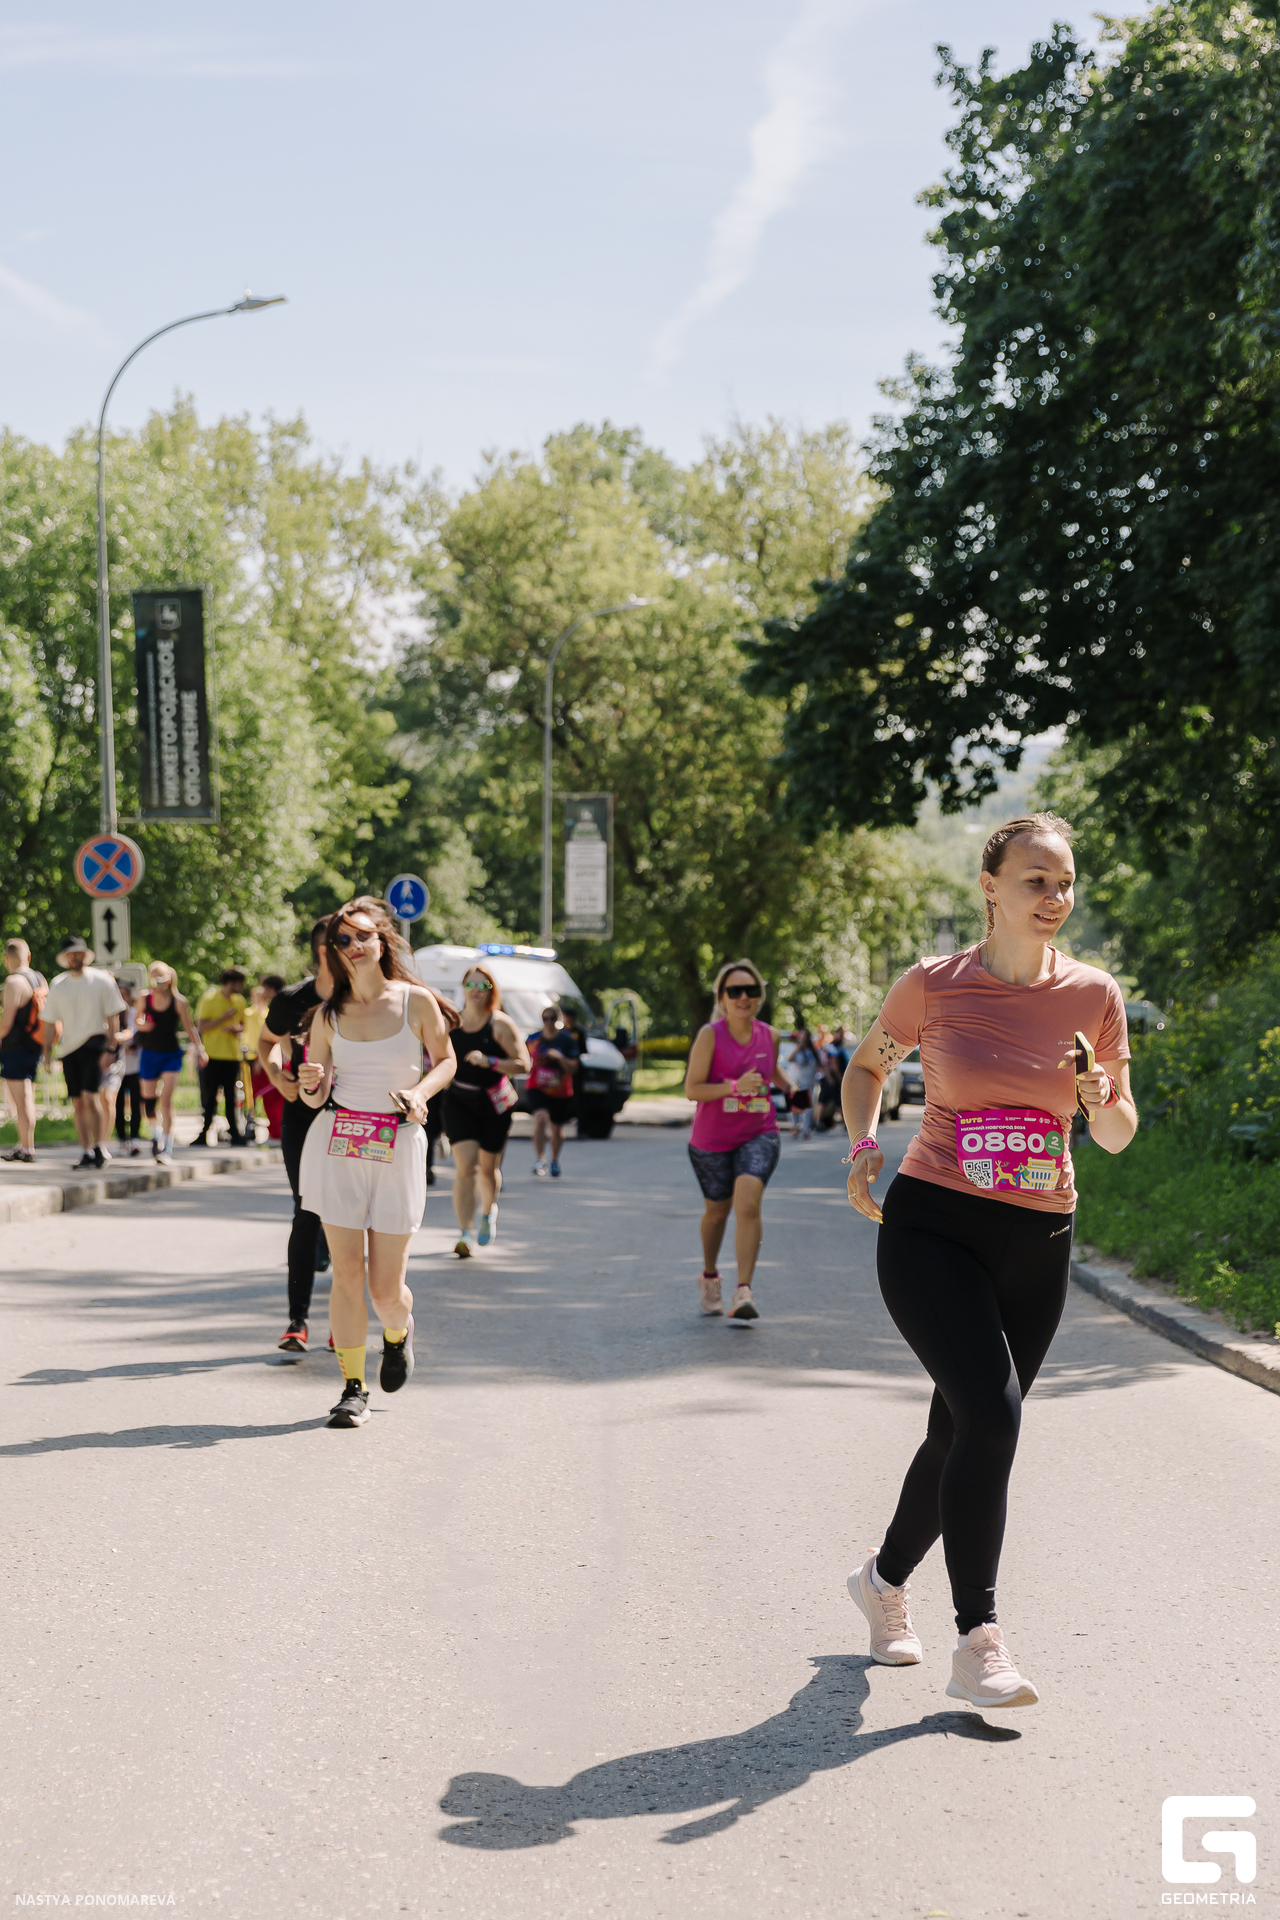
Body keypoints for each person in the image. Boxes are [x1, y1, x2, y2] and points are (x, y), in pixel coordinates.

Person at [841, 813, 1135, 1710]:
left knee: (961, 1429)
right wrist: (864, 1144)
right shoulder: (932, 985)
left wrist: (1098, 1097)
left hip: (1039, 1238)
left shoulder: (1094, 995)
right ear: (990, 886)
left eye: (1065, 881)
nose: (1055, 897)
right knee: (993, 1416)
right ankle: (980, 1640)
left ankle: (883, 1581)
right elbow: (867, 1068)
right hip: (932, 1225)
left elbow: (1118, 1135)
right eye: (1036, 880)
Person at [297, 897, 457, 1429]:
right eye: (342, 940)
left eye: (363, 935)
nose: (354, 946)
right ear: (333, 952)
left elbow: (446, 1059)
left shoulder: (415, 1002)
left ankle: (398, 1332)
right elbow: (315, 1095)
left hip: (397, 1145)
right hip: (340, 1144)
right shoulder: (328, 1015)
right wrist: (310, 1083)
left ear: (382, 940)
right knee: (346, 1273)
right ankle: (352, 1388)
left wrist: (420, 1093)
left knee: (386, 1292)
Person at [684, 959, 794, 1322]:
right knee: (717, 1212)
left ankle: (743, 1290)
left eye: (750, 990)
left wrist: (795, 1093)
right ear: (722, 998)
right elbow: (692, 1089)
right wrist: (734, 1086)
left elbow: (772, 1071)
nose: (743, 997)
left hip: (759, 1133)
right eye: (734, 991)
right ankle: (710, 1276)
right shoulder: (710, 1035)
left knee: (747, 1204)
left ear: (760, 996)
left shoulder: (770, 1035)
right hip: (711, 1139)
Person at [259, 924, 336, 1353]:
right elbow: (266, 1041)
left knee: (348, 1215)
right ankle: (297, 1321)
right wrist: (277, 1076)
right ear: (324, 950)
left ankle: (344, 1320)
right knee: (306, 1210)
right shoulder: (292, 1000)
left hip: (352, 1118)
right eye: (344, 942)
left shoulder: (362, 1001)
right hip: (302, 1116)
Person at [442, 962, 530, 1257]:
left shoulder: (501, 1024)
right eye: (471, 984)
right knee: (466, 1167)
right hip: (459, 1100)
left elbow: (524, 1065)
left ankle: (488, 1212)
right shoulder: (451, 1023)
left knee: (488, 1170)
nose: (476, 990)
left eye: (483, 985)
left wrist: (489, 1061)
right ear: (463, 988)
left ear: (492, 990)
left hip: (494, 1103)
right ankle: (464, 1233)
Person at [40, 936, 127, 1169]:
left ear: (85, 955)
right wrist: (46, 1051)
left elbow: (114, 1017)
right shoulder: (58, 984)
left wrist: (111, 1048)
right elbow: (50, 1022)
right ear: (65, 957)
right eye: (70, 954)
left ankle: (100, 1146)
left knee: (91, 1096)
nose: (74, 957)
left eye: (78, 953)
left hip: (95, 1044)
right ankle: (86, 1150)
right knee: (78, 1102)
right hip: (70, 1048)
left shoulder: (102, 980)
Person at [135, 963, 206, 1165]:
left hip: (171, 1055)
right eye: (152, 978)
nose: (155, 983)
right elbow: (136, 1019)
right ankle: (155, 1135)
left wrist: (200, 1049)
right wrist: (142, 1025)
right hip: (149, 1054)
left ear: (168, 979)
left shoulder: (179, 1001)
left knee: (166, 1099)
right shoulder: (144, 997)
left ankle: (167, 1146)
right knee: (149, 1101)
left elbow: (189, 1027)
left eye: (159, 979)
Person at [1, 938, 47, 1164]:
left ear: (5, 959)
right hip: (34, 1045)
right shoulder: (38, 978)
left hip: (15, 1048)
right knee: (26, 1097)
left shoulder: (13, 982)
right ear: (28, 957)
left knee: (21, 1100)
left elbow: (6, 1023)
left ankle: (27, 1148)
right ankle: (24, 1145)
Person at [194, 967, 248, 1145]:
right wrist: (223, 1019)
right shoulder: (209, 999)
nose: (241, 987)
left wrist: (236, 1029)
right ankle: (204, 1133)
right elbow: (201, 1026)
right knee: (210, 1096)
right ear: (230, 982)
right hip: (212, 1055)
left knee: (231, 1096)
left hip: (232, 1056)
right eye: (238, 983)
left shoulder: (239, 1001)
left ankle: (234, 1132)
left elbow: (243, 1025)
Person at [525, 1005, 579, 1177]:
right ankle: (540, 1159)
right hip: (537, 1086)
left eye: (552, 1019)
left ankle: (554, 1160)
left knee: (556, 1129)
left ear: (558, 1020)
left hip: (560, 1090)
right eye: (545, 1019)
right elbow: (523, 1059)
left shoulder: (567, 1040)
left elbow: (574, 1067)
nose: (548, 1022)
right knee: (540, 1119)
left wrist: (560, 1057)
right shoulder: (533, 1039)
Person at [248, 976, 286, 1141]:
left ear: (270, 989)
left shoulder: (279, 1005)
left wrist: (263, 1060)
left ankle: (277, 1131)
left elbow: (274, 1038)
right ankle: (277, 1130)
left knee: (273, 1095)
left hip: (277, 1056)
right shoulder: (283, 1003)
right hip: (278, 1055)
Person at [113, 984, 144, 1156]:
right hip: (117, 1067)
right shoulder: (111, 1013)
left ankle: (134, 1140)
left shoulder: (135, 1014)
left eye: (124, 994)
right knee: (117, 1105)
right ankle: (121, 1140)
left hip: (135, 1066)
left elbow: (140, 1034)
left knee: (136, 1104)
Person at [787, 1026, 820, 1140]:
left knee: (807, 1107)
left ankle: (806, 1129)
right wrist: (798, 1047)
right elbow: (789, 1059)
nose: (803, 1039)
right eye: (801, 1036)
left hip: (808, 1082)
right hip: (795, 1081)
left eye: (805, 1037)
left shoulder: (812, 1051)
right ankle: (795, 1126)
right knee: (794, 1105)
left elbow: (820, 1064)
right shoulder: (795, 1049)